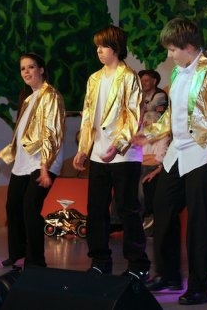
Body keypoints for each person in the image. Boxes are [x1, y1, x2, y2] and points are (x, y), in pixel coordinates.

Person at [134, 17, 207, 306]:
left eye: (173, 49)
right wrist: (147, 134)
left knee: (200, 220)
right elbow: (171, 115)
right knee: (163, 208)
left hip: (202, 154)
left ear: (189, 46)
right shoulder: (178, 73)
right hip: (177, 153)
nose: (170, 55)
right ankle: (168, 275)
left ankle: (200, 285)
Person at [72, 25, 150, 281]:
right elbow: (87, 116)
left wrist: (117, 146)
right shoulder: (94, 78)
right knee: (96, 209)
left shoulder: (129, 76)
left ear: (116, 48)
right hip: (98, 153)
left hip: (124, 155)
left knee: (127, 209)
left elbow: (134, 116)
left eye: (103, 46)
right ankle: (99, 260)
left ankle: (138, 263)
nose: (99, 51)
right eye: (97, 46)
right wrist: (83, 149)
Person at [0, 53, 65, 268]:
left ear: (41, 70)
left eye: (31, 67)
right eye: (23, 69)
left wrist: (45, 166)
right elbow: (20, 138)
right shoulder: (28, 99)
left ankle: (36, 260)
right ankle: (17, 252)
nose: (26, 72)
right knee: (13, 206)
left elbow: (53, 133)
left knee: (30, 208)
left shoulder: (51, 96)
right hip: (23, 163)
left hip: (43, 162)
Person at [139, 110, 170, 234]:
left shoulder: (164, 137)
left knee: (143, 182)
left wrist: (145, 158)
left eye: (149, 125)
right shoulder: (142, 136)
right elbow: (137, 157)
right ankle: (117, 220)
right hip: (140, 166)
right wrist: (148, 157)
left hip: (155, 168)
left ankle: (145, 217)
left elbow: (158, 160)